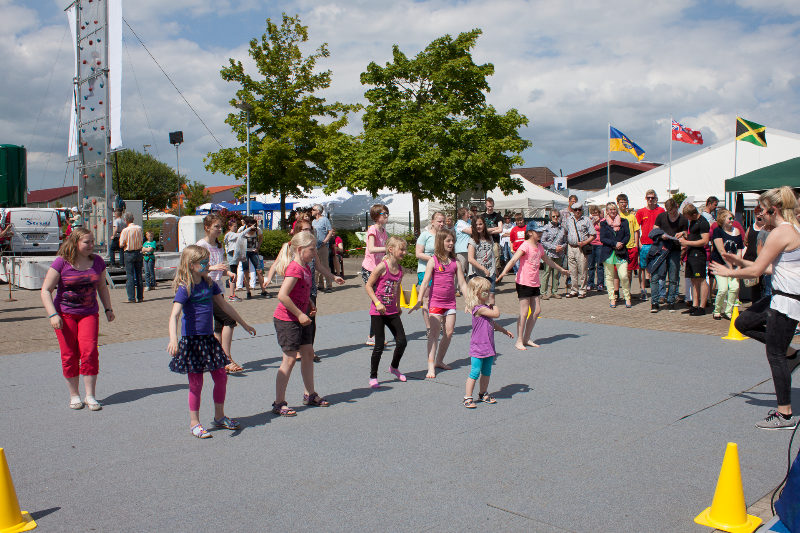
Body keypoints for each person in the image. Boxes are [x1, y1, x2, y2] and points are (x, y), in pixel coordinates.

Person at [710, 186, 800, 430]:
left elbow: (758, 271)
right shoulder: (791, 230)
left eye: (762, 210)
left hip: (787, 301)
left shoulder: (782, 232)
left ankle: (785, 415)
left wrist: (729, 272)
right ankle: (791, 353)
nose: (759, 214)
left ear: (774, 210)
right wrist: (740, 261)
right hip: (780, 297)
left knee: (775, 355)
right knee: (743, 322)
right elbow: (772, 268)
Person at [167, 245, 256, 438]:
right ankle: (194, 423)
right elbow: (174, 315)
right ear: (191, 264)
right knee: (196, 383)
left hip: (209, 340)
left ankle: (219, 416)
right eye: (204, 262)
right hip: (192, 342)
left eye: (208, 261)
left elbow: (225, 306)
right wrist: (173, 339)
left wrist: (244, 324)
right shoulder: (185, 287)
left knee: (221, 377)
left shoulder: (210, 284)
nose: (208, 265)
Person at [41, 228, 114, 411]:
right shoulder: (62, 262)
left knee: (89, 352)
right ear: (75, 243)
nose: (91, 245)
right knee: (69, 354)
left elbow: (102, 287)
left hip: (89, 313)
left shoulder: (97, 262)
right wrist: (53, 314)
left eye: (92, 241)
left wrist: (108, 308)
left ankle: (90, 395)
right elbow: (45, 290)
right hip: (65, 315)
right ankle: (74, 395)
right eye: (86, 242)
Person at [271, 231, 339, 417]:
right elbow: (282, 295)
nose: (314, 253)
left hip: (302, 316)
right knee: (290, 359)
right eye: (311, 250)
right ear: (300, 250)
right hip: (287, 320)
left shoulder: (307, 267)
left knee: (308, 354)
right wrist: (300, 314)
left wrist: (309, 303)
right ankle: (279, 402)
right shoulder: (295, 269)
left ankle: (310, 394)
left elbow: (301, 290)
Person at [496, 221, 568, 350]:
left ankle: (526, 338)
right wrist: (503, 272)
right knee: (524, 312)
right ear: (529, 233)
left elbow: (548, 261)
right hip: (523, 282)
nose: (540, 234)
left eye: (541, 232)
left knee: (536, 311)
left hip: (534, 282)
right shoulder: (525, 245)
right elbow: (514, 259)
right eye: (537, 231)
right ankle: (519, 340)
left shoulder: (539, 246)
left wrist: (561, 269)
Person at [411, 229, 469, 379]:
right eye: (448, 240)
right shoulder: (433, 260)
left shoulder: (456, 262)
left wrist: (469, 301)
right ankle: (430, 365)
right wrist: (419, 299)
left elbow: (462, 284)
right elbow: (425, 282)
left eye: (452, 241)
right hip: (436, 302)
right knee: (434, 334)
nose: (451, 243)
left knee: (449, 333)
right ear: (440, 242)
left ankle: (439, 360)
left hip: (450, 303)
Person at [196, 214, 243, 374]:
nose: (219, 229)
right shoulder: (201, 246)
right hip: (205, 289)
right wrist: (211, 268)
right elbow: (196, 268)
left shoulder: (218, 246)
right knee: (229, 320)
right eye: (216, 226)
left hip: (218, 288)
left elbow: (220, 268)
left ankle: (217, 358)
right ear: (207, 227)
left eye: (220, 226)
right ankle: (226, 358)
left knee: (218, 326)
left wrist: (228, 273)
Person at [364, 236, 409, 388]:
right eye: (401, 249)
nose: (404, 252)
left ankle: (394, 368)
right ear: (391, 249)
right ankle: (373, 376)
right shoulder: (381, 267)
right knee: (379, 345)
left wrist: (398, 305)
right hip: (378, 312)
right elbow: (368, 286)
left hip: (392, 311)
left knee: (402, 341)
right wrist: (377, 303)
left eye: (405, 249)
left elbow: (397, 288)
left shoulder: (400, 270)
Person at [462, 276, 513, 409]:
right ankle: (467, 397)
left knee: (486, 371)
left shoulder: (485, 307)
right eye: (485, 291)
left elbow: (493, 322)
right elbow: (496, 314)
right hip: (478, 346)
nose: (488, 293)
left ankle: (483, 393)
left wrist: (504, 331)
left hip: (489, 346)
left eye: (488, 290)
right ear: (476, 293)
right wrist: (493, 304)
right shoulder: (478, 308)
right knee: (475, 372)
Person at [651, 198, 686, 312]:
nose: (672, 214)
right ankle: (654, 302)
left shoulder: (682, 219)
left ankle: (671, 301)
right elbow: (654, 231)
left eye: (674, 212)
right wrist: (661, 235)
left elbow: (686, 233)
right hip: (661, 249)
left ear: (677, 207)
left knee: (673, 276)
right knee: (656, 276)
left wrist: (682, 233)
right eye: (669, 212)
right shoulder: (661, 217)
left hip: (674, 249)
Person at [361, 204, 389, 346]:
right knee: (377, 300)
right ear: (376, 216)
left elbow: (384, 252)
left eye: (387, 213)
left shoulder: (384, 231)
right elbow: (371, 249)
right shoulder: (373, 229)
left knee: (379, 301)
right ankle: (373, 335)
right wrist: (388, 248)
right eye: (384, 213)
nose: (387, 216)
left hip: (378, 269)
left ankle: (374, 334)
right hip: (369, 269)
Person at [415, 211, 446, 333]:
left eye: (443, 221)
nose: (442, 224)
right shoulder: (425, 235)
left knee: (440, 297)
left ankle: (439, 322)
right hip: (425, 270)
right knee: (427, 299)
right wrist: (433, 260)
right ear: (432, 222)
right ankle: (429, 327)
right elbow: (418, 254)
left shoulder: (444, 235)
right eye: (439, 221)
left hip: (440, 271)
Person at [710, 209, 743, 320]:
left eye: (733, 218)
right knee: (723, 289)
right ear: (723, 219)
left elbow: (739, 250)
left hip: (733, 265)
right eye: (730, 218)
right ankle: (717, 310)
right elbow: (721, 251)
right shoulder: (718, 231)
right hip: (720, 265)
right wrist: (730, 267)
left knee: (734, 287)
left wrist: (738, 267)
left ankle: (728, 311)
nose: (732, 220)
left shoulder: (737, 231)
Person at [679, 203, 710, 315]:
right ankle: (695, 305)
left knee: (701, 279)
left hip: (699, 255)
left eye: (688, 216)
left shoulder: (703, 222)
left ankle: (702, 307)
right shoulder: (692, 221)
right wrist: (683, 234)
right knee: (693, 279)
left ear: (693, 214)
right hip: (691, 253)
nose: (687, 219)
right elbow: (692, 235)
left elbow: (705, 241)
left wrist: (687, 243)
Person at [599, 202, 632, 308]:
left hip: (621, 252)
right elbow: (602, 238)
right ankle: (612, 298)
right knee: (609, 277)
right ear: (607, 211)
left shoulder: (624, 222)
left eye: (614, 209)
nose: (613, 211)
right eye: (610, 209)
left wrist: (621, 243)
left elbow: (627, 235)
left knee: (623, 276)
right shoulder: (603, 224)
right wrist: (614, 243)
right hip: (608, 253)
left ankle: (627, 297)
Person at [636, 190, 665, 301]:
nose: (650, 200)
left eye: (652, 197)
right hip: (645, 245)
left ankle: (658, 293)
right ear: (645, 198)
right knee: (642, 268)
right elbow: (636, 229)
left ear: (656, 198)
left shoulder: (661, 210)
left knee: (658, 269)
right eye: (648, 197)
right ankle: (643, 290)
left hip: (658, 244)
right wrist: (639, 244)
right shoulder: (641, 212)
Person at [565, 201, 595, 298]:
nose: (577, 211)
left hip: (581, 248)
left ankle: (582, 290)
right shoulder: (569, 220)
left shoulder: (586, 220)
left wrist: (585, 243)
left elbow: (593, 235)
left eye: (579, 209)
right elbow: (565, 232)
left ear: (582, 210)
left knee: (582, 270)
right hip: (571, 247)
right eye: (575, 210)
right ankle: (574, 290)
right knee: (572, 270)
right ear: (572, 211)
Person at [467, 214, 496, 305]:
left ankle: (491, 312)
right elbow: (470, 259)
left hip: (490, 272)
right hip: (477, 273)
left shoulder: (489, 238)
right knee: (480, 297)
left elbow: (491, 254)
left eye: (480, 224)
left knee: (490, 295)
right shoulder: (472, 240)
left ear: (484, 224)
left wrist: (495, 268)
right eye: (476, 225)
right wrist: (483, 269)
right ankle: (479, 313)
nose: (478, 226)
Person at [616, 194, 640, 299]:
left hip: (631, 247)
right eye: (621, 202)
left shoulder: (631, 217)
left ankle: (627, 292)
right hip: (619, 248)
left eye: (625, 202)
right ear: (618, 203)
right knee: (617, 272)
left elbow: (636, 230)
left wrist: (636, 245)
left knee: (629, 272)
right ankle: (616, 292)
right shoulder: (616, 216)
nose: (623, 204)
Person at [237, 217, 267, 299]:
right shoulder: (242, 229)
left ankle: (263, 290)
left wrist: (258, 247)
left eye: (254, 226)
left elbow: (261, 238)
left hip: (254, 251)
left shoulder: (257, 230)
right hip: (244, 252)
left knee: (259, 270)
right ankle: (248, 291)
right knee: (246, 271)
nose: (252, 229)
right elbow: (237, 238)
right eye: (251, 227)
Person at [540, 208, 567, 299]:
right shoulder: (546, 228)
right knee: (547, 272)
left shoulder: (562, 229)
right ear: (550, 217)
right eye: (554, 216)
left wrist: (562, 247)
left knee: (556, 273)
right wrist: (554, 247)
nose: (556, 218)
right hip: (549, 254)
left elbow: (565, 241)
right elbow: (543, 241)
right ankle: (543, 292)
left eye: (557, 216)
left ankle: (554, 291)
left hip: (559, 254)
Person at [119, 212, 144, 303]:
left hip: (129, 253)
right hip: (139, 252)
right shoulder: (139, 228)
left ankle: (131, 297)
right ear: (133, 219)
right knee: (139, 275)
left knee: (130, 276)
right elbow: (141, 240)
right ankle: (140, 297)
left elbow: (121, 244)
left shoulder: (125, 230)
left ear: (125, 220)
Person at [744, 206, 766, 301]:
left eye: (761, 213)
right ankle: (755, 304)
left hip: (763, 260)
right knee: (754, 285)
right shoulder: (750, 227)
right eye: (757, 213)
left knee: (763, 284)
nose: (759, 215)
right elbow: (746, 241)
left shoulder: (767, 228)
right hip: (751, 259)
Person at [311, 204, 335, 292]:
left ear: (318, 211)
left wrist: (325, 241)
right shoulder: (313, 221)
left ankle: (329, 286)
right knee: (317, 265)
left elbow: (330, 231)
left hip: (323, 246)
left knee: (325, 265)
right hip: (315, 246)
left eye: (313, 209)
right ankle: (320, 285)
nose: (311, 211)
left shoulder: (325, 220)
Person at [482, 197, 505, 273]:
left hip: (495, 241)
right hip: (484, 240)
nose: (490, 208)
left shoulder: (497, 216)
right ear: (486, 205)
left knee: (496, 256)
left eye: (491, 206)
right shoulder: (482, 216)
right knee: (485, 258)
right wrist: (494, 228)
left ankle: (497, 273)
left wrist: (488, 231)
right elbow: (481, 229)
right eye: (488, 206)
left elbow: (500, 229)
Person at [223, 218, 242, 302]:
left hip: (233, 256)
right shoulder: (230, 234)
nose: (235, 228)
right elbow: (239, 235)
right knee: (233, 275)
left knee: (234, 274)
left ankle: (232, 293)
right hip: (232, 257)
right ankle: (231, 294)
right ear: (229, 227)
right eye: (234, 226)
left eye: (236, 226)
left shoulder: (230, 234)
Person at [587, 205, 604, 293]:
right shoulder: (589, 221)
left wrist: (598, 222)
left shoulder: (602, 220)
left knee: (600, 265)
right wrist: (591, 221)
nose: (595, 215)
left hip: (600, 244)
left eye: (596, 213)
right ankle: (590, 283)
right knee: (591, 265)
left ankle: (600, 283)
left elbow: (603, 230)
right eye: (593, 213)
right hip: (591, 243)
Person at [454, 207, 473, 275]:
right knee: (460, 270)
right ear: (463, 215)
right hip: (462, 250)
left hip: (470, 249)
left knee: (471, 271)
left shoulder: (469, 221)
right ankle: (457, 282)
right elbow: (471, 231)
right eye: (467, 213)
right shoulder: (460, 223)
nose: (469, 214)